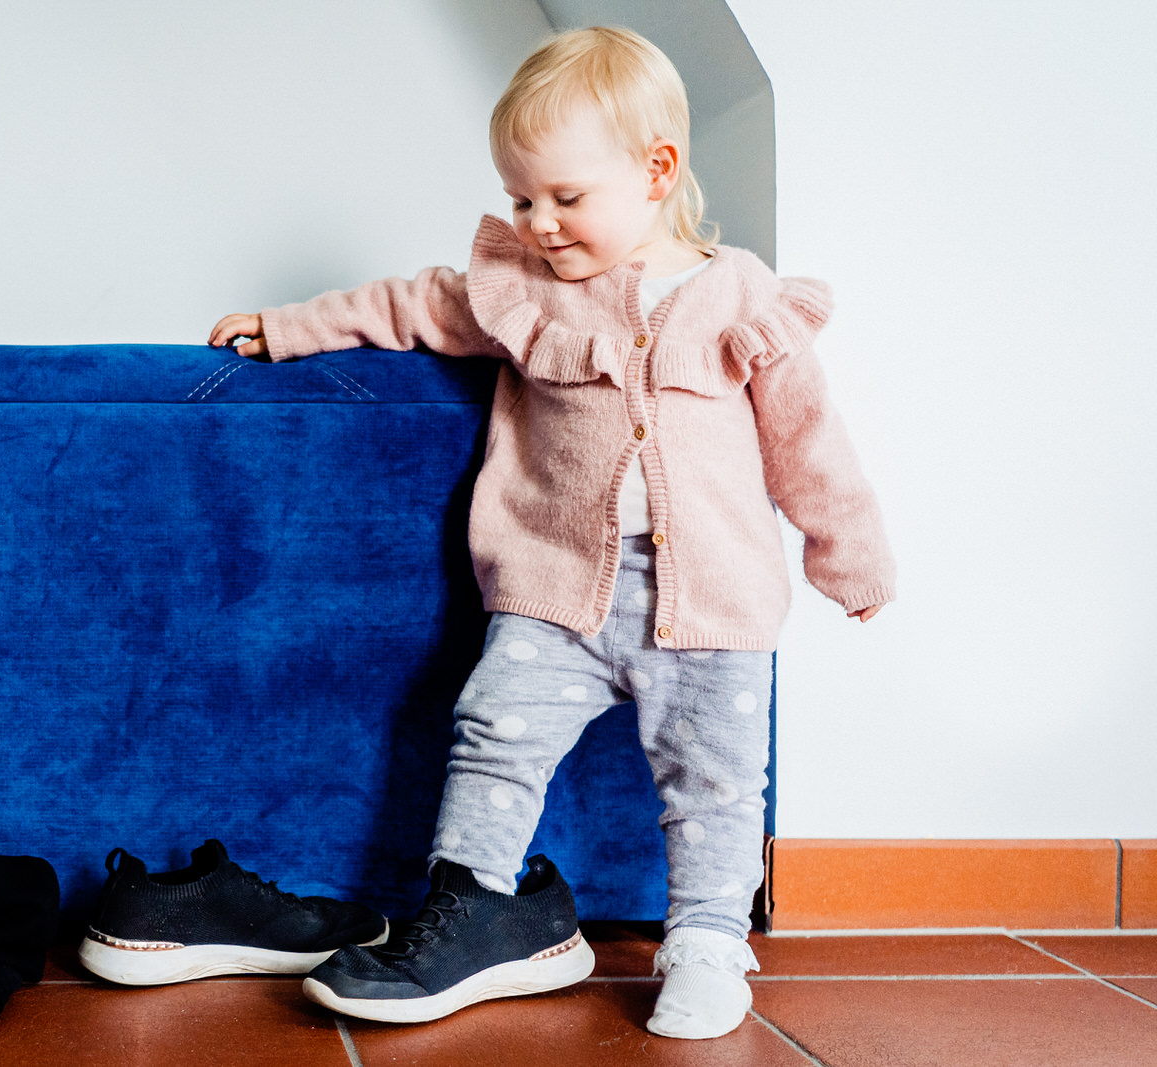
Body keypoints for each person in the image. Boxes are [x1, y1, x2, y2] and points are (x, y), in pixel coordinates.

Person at [208, 26, 893, 1040]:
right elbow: (412, 305)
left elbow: (808, 443)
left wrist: (850, 553)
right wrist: (292, 327)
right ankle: (472, 908)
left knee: (713, 782)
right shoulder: (521, 290)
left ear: (657, 171)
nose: (537, 223)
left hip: (713, 600)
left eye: (565, 197)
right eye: (521, 198)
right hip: (556, 590)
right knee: (492, 734)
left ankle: (707, 942)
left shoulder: (742, 296)